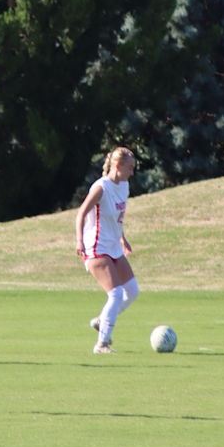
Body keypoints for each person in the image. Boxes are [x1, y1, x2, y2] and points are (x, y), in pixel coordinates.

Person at [75, 147, 140, 354]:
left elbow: (117, 218)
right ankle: (101, 344)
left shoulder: (124, 186)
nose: (132, 172)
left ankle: (102, 320)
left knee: (132, 291)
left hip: (113, 246)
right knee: (116, 294)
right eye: (130, 168)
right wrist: (79, 240)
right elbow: (81, 213)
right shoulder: (101, 188)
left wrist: (122, 238)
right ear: (118, 166)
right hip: (96, 246)